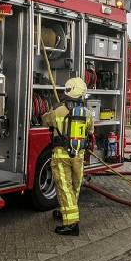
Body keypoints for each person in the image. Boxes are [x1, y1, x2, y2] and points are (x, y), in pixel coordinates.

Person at [42, 77, 94, 236]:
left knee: (64, 187)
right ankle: (66, 211)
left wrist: (52, 110)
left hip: (61, 155)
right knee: (75, 186)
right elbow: (90, 131)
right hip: (78, 155)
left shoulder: (58, 110)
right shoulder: (87, 113)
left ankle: (71, 224)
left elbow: (46, 120)